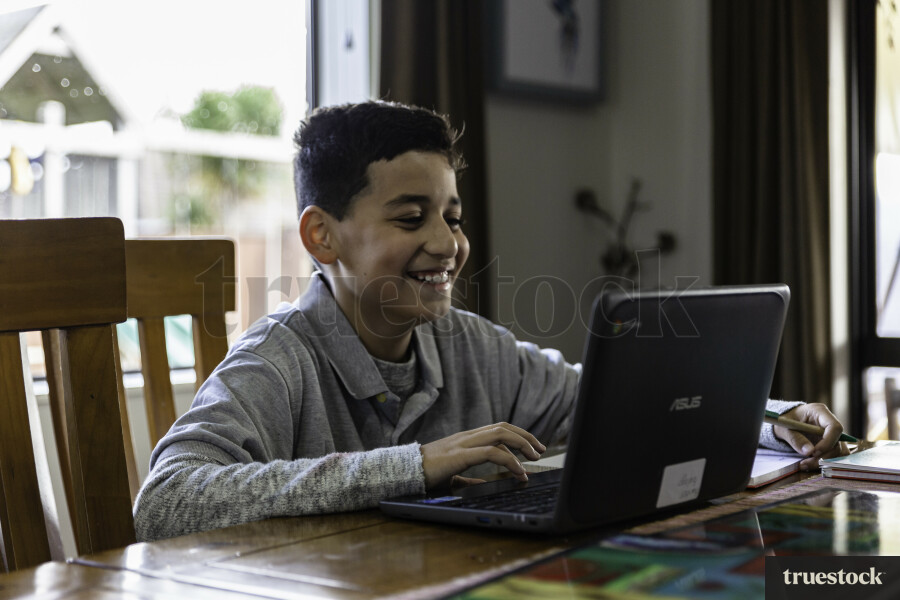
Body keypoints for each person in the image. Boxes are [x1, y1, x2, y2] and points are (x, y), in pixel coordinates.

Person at [133, 100, 848, 542]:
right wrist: (414, 466)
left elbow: (610, 403)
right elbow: (165, 503)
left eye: (453, 216)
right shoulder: (280, 357)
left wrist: (772, 415)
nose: (447, 244)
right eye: (411, 218)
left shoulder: (468, 345)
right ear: (323, 237)